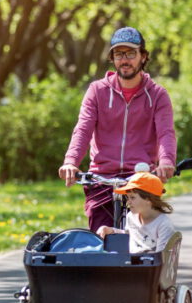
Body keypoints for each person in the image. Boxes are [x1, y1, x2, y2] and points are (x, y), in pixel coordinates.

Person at [58, 26, 177, 232]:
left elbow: (166, 132)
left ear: (143, 57)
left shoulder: (157, 94)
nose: (125, 60)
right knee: (101, 238)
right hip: (102, 176)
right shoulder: (97, 91)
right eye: (119, 54)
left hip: (139, 176)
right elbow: (83, 129)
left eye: (131, 53)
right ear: (112, 58)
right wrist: (71, 162)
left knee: (143, 240)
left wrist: (166, 162)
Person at [95, 172, 175, 253]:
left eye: (132, 198)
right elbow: (129, 234)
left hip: (149, 264)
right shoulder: (131, 217)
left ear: (149, 199)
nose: (128, 202)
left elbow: (162, 258)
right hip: (131, 263)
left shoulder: (163, 224)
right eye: (128, 197)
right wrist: (111, 230)